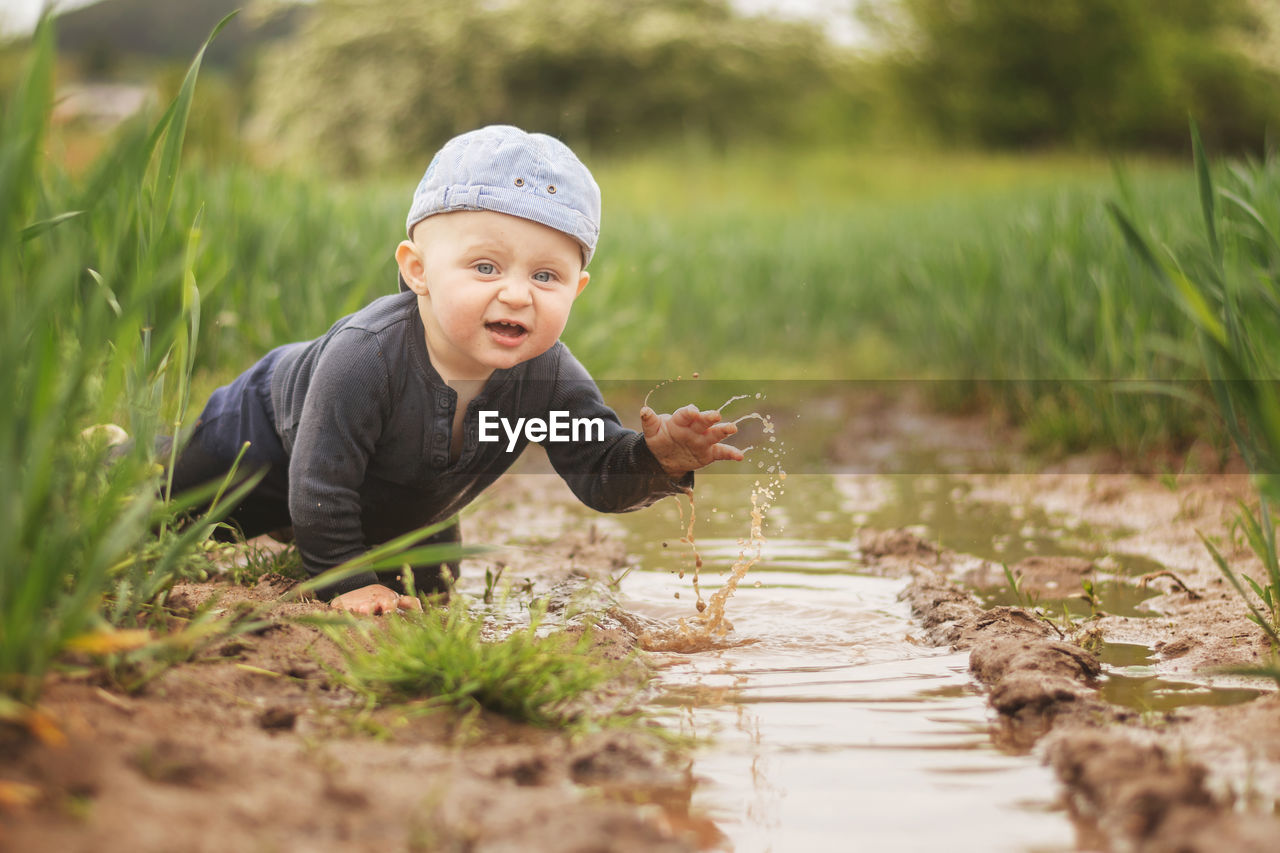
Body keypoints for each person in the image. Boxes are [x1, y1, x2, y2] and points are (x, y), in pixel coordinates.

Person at [169, 125, 744, 615]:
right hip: (257, 437)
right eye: (486, 266)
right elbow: (321, 479)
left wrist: (657, 460)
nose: (518, 294)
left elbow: (599, 469)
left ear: (577, 290)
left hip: (402, 492)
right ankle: (115, 453)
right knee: (166, 512)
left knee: (430, 592)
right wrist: (344, 582)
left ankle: (318, 535)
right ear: (418, 270)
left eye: (546, 277)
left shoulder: (550, 378)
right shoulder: (366, 356)